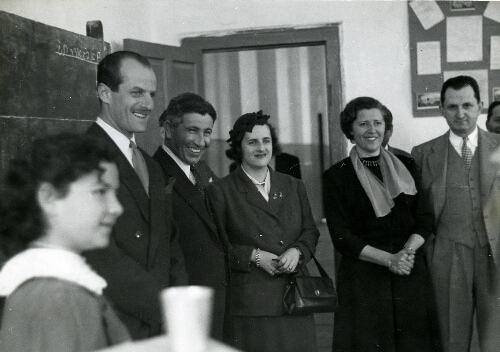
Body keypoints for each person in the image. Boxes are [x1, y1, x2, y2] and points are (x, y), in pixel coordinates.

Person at [84, 50, 187, 340]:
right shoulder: (83, 158)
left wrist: (177, 307)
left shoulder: (151, 164)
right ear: (105, 93)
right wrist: (162, 309)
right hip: (117, 327)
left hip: (161, 327)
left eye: (152, 94)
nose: (149, 104)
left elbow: (170, 243)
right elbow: (99, 255)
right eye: (137, 92)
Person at [323, 97, 439, 351]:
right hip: (364, 278)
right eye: (363, 124)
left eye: (378, 122)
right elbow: (342, 237)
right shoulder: (336, 175)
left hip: (409, 270)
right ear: (350, 131)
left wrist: (405, 254)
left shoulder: (407, 165)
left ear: (386, 127)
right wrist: (389, 260)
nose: (372, 129)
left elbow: (425, 219)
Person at [0, 133, 130, 351]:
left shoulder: (57, 285)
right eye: (100, 191)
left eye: (114, 193)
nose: (117, 207)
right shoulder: (54, 297)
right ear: (48, 198)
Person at [207, 111, 319, 352]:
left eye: (266, 141)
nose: (261, 148)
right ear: (238, 148)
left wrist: (297, 252)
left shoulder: (293, 185)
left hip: (297, 298)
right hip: (253, 305)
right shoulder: (221, 191)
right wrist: (254, 256)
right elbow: (217, 246)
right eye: (252, 142)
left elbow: (310, 231)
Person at [411, 75, 500, 352]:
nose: (460, 113)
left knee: (496, 339)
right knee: (451, 340)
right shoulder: (423, 154)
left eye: (467, 105)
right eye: (452, 107)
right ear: (441, 109)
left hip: (495, 256)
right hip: (447, 257)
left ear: (480, 106)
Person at [152, 92, 229, 341]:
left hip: (215, 300)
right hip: (185, 307)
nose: (202, 141)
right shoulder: (155, 174)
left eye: (207, 132)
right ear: (169, 129)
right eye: (193, 130)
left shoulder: (201, 169)